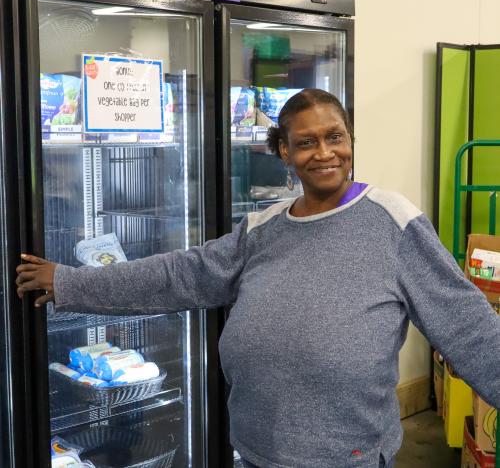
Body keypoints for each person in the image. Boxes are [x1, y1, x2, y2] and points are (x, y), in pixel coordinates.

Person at [16, 89, 500, 468]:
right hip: (255, 453)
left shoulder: (392, 221)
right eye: (306, 142)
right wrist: (70, 282)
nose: (324, 152)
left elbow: (467, 325)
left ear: (351, 140)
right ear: (284, 152)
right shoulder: (262, 229)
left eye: (335, 137)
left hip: (345, 458)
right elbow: (179, 275)